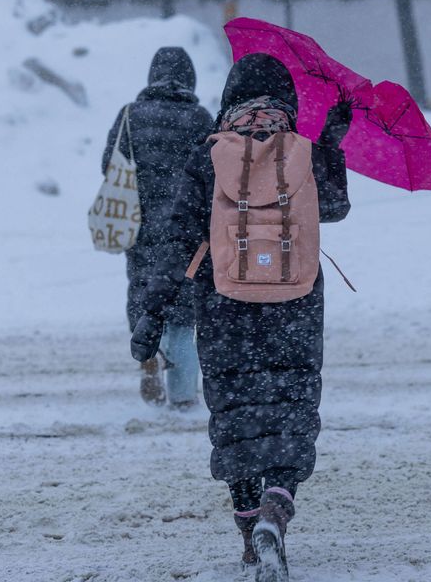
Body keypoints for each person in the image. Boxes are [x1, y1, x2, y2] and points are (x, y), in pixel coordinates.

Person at [129, 53, 352, 580]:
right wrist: (333, 140)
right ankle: (277, 505)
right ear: (286, 98)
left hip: (226, 307)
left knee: (236, 415)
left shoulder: (208, 156)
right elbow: (336, 206)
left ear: (230, 95)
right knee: (290, 407)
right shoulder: (306, 152)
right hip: (295, 305)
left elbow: (177, 241)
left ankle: (251, 531)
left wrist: (151, 315)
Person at [101, 47, 213, 408]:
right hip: (186, 227)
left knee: (144, 295)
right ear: (190, 79)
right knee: (184, 309)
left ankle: (148, 356)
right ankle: (182, 395)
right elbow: (213, 172)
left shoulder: (131, 116)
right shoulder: (200, 118)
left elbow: (110, 165)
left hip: (141, 224)